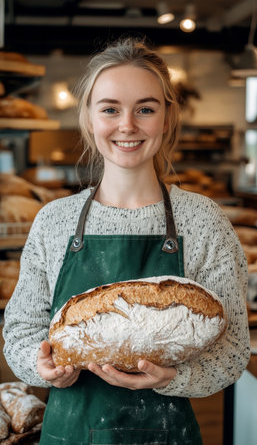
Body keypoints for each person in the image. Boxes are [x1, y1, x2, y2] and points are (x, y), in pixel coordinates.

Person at [3, 37, 250, 445]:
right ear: (89, 118)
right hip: (71, 434)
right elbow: (21, 332)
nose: (128, 126)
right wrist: (41, 365)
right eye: (110, 109)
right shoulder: (54, 221)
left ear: (167, 117)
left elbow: (233, 351)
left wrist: (174, 377)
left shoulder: (203, 220)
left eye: (146, 109)